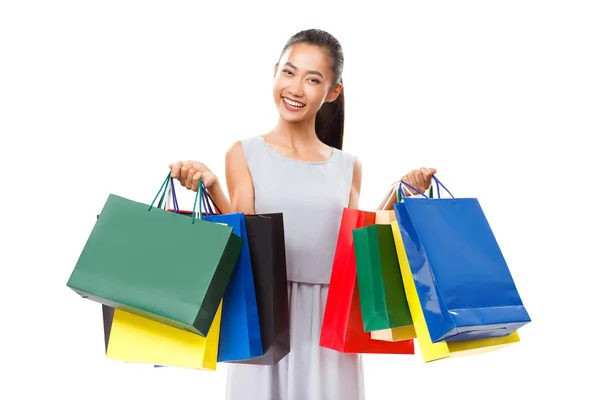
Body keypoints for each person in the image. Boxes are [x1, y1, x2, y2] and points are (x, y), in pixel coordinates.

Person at [170, 28, 435, 400]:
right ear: (275, 70)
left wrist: (397, 195)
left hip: (330, 325)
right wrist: (213, 188)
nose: (295, 88)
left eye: (313, 79)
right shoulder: (244, 152)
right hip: (266, 319)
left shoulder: (348, 166)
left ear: (332, 92)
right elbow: (245, 245)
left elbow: (357, 250)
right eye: (289, 72)